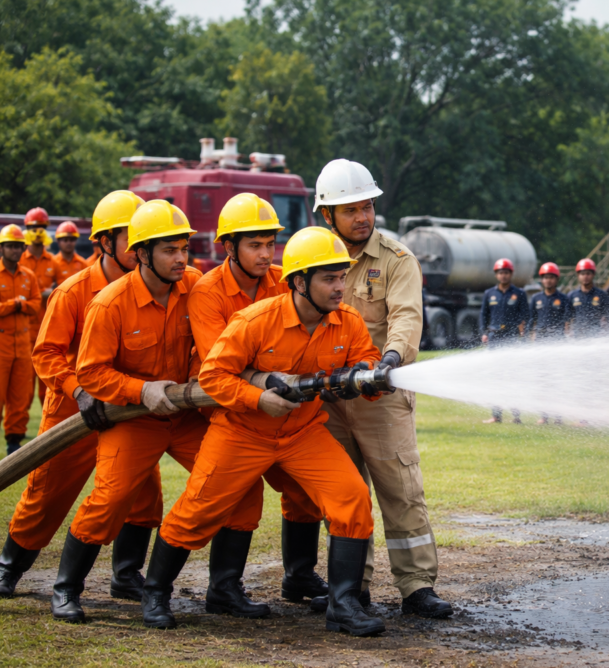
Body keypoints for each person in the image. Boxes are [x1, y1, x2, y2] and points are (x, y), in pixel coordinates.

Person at [143, 227, 384, 636]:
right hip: (241, 432)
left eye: (342, 277)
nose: (340, 287)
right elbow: (213, 377)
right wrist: (259, 400)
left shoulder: (348, 322)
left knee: (352, 498)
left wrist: (370, 377)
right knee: (197, 511)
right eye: (329, 278)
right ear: (299, 282)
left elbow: (366, 360)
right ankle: (155, 593)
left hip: (303, 433)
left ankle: (343, 606)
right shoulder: (254, 320)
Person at [50, 200, 260, 624]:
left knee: (240, 485)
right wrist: (140, 390)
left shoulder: (196, 287)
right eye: (169, 250)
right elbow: (91, 374)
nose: (181, 259)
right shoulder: (109, 304)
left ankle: (224, 589)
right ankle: (66, 589)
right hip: (134, 420)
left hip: (186, 417)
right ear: (141, 254)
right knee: (110, 499)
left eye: (183, 248)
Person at [0, 191, 163, 601]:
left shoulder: (150, 287)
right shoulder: (74, 291)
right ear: (105, 242)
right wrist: (78, 389)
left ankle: (126, 576)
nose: (141, 245)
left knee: (143, 493)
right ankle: (8, 568)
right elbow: (47, 353)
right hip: (76, 410)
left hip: (127, 412)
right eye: (131, 237)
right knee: (46, 495)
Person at [314, 158, 452, 618]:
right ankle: (352, 588)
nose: (362, 217)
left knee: (401, 491)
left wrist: (389, 362)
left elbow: (407, 318)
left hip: (382, 397)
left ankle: (416, 587)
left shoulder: (397, 260)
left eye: (367, 206)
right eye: (350, 209)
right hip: (330, 402)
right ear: (326, 216)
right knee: (343, 495)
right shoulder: (311, 262)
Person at [188, 192, 328, 606]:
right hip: (230, 409)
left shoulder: (286, 280)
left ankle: (300, 576)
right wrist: (269, 375)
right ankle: (224, 587)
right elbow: (223, 365)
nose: (267, 254)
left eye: (271, 244)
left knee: (304, 490)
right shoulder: (207, 292)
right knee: (242, 495)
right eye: (255, 245)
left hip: (282, 411)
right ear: (228, 247)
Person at [0, 225, 40, 455]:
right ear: (2, 248)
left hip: (23, 345)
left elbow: (35, 306)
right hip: (1, 344)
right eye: (10, 246)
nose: (15, 250)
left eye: (18, 246)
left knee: (20, 396)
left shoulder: (29, 276)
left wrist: (20, 305)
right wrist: (13, 305)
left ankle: (14, 441)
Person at [479, 258, 528, 424]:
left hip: (511, 336)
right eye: (500, 272)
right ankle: (496, 415)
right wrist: (484, 333)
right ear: (496, 275)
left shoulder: (519, 294)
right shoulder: (489, 294)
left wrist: (522, 330)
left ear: (511, 274)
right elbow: (483, 316)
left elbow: (525, 316)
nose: (503, 275)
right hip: (494, 337)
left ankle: (516, 416)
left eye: (506, 272)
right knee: (495, 377)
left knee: (513, 376)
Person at [21, 207, 57, 408]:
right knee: (22, 385)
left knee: (47, 383)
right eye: (34, 227)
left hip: (47, 328)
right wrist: (44, 292)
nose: (37, 232)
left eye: (41, 227)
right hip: (22, 330)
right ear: (27, 229)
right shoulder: (18, 258)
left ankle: (49, 430)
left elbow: (61, 291)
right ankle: (15, 435)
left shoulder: (53, 261)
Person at [528, 262, 570, 424]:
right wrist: (530, 339)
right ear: (541, 279)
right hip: (540, 344)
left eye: (551, 277)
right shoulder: (536, 299)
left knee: (558, 381)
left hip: (557, 343)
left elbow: (567, 321)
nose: (548, 280)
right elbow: (532, 321)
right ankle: (544, 416)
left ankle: (558, 417)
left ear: (556, 279)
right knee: (543, 381)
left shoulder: (563, 299)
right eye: (545, 277)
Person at [567, 258, 609, 337]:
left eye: (588, 273)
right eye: (582, 274)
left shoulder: (602, 295)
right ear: (578, 275)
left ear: (593, 274)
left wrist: (607, 334)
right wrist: (569, 333)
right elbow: (567, 318)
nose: (585, 276)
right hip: (578, 336)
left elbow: (608, 317)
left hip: (596, 336)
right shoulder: (572, 295)